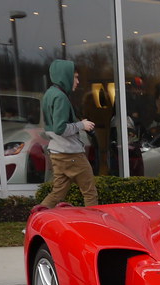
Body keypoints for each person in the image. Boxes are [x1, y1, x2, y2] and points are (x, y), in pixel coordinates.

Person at [34, 60, 97, 210]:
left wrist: (77, 123)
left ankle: (35, 219)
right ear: (65, 76)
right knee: (90, 192)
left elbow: (55, 125)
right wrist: (82, 125)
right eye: (74, 77)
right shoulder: (61, 97)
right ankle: (95, 226)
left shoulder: (50, 94)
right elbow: (60, 128)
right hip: (71, 154)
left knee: (58, 193)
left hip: (57, 152)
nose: (77, 81)